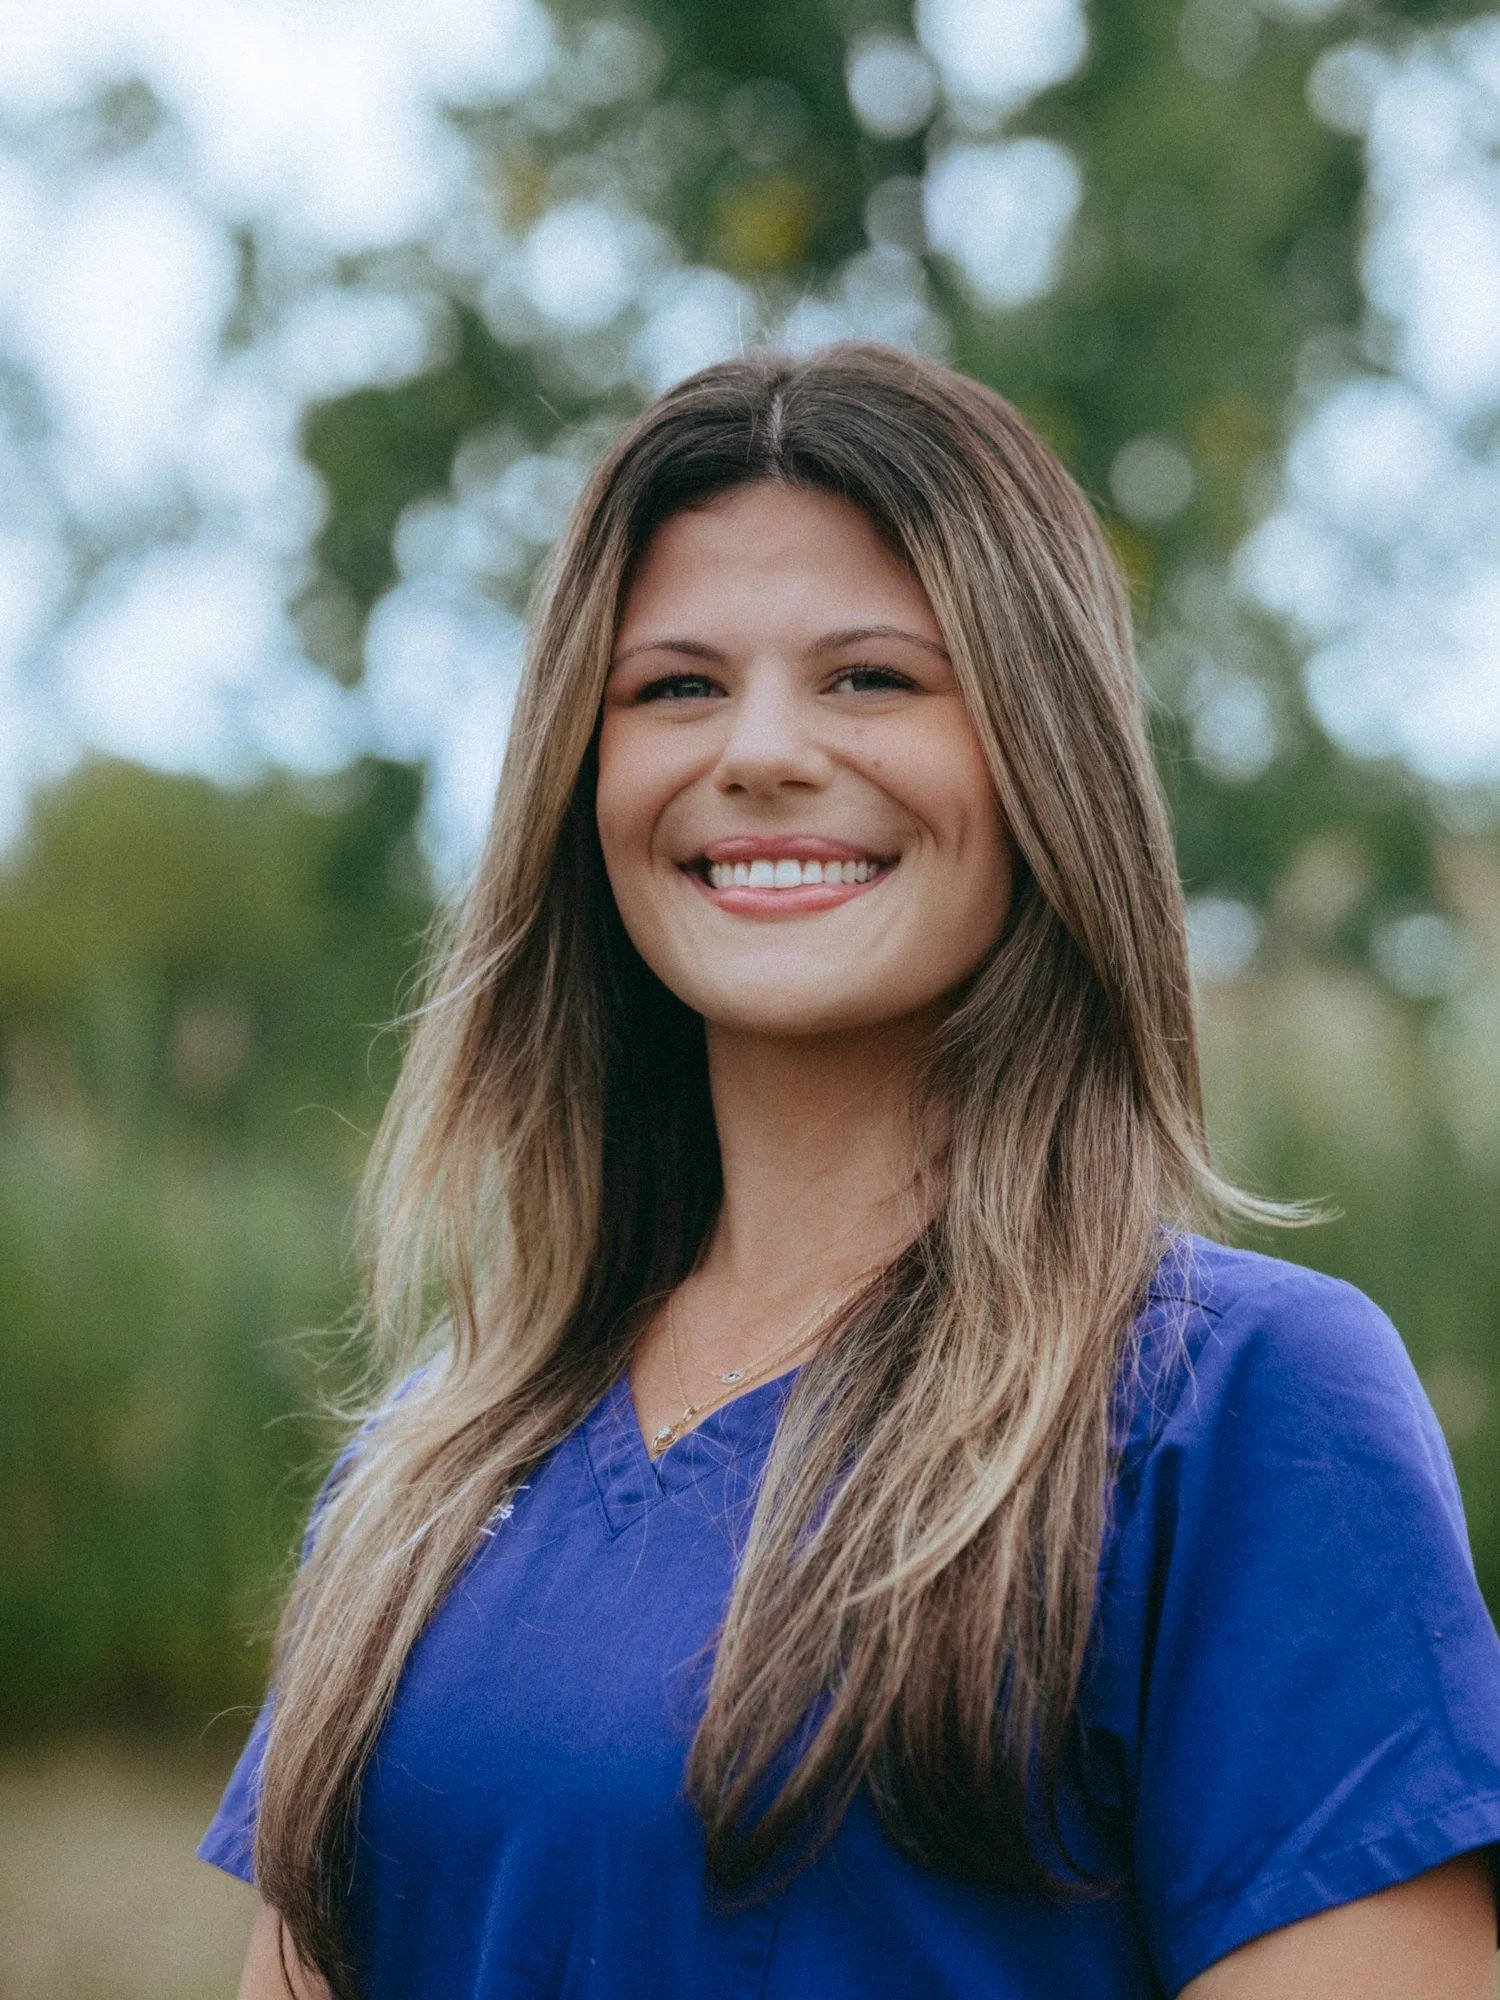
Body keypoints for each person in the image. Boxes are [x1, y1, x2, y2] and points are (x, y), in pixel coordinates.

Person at [203, 345, 1500, 1999]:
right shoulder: (423, 1465)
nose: (757, 750)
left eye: (872, 678)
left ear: (1042, 758)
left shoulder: (1234, 1407)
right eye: (673, 687)